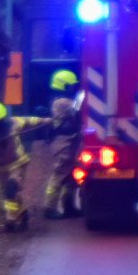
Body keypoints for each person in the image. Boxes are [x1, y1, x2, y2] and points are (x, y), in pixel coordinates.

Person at [0, 101, 51, 233]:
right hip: (0, 168)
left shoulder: (14, 123)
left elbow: (29, 120)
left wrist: (44, 121)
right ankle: (24, 215)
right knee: (11, 196)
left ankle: (10, 219)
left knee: (11, 188)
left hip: (17, 163)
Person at [43, 69, 83, 219]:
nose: (74, 88)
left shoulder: (60, 100)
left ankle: (69, 206)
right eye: (71, 86)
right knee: (59, 173)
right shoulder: (62, 102)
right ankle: (49, 207)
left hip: (69, 141)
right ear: (64, 86)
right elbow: (79, 108)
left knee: (72, 176)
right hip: (63, 142)